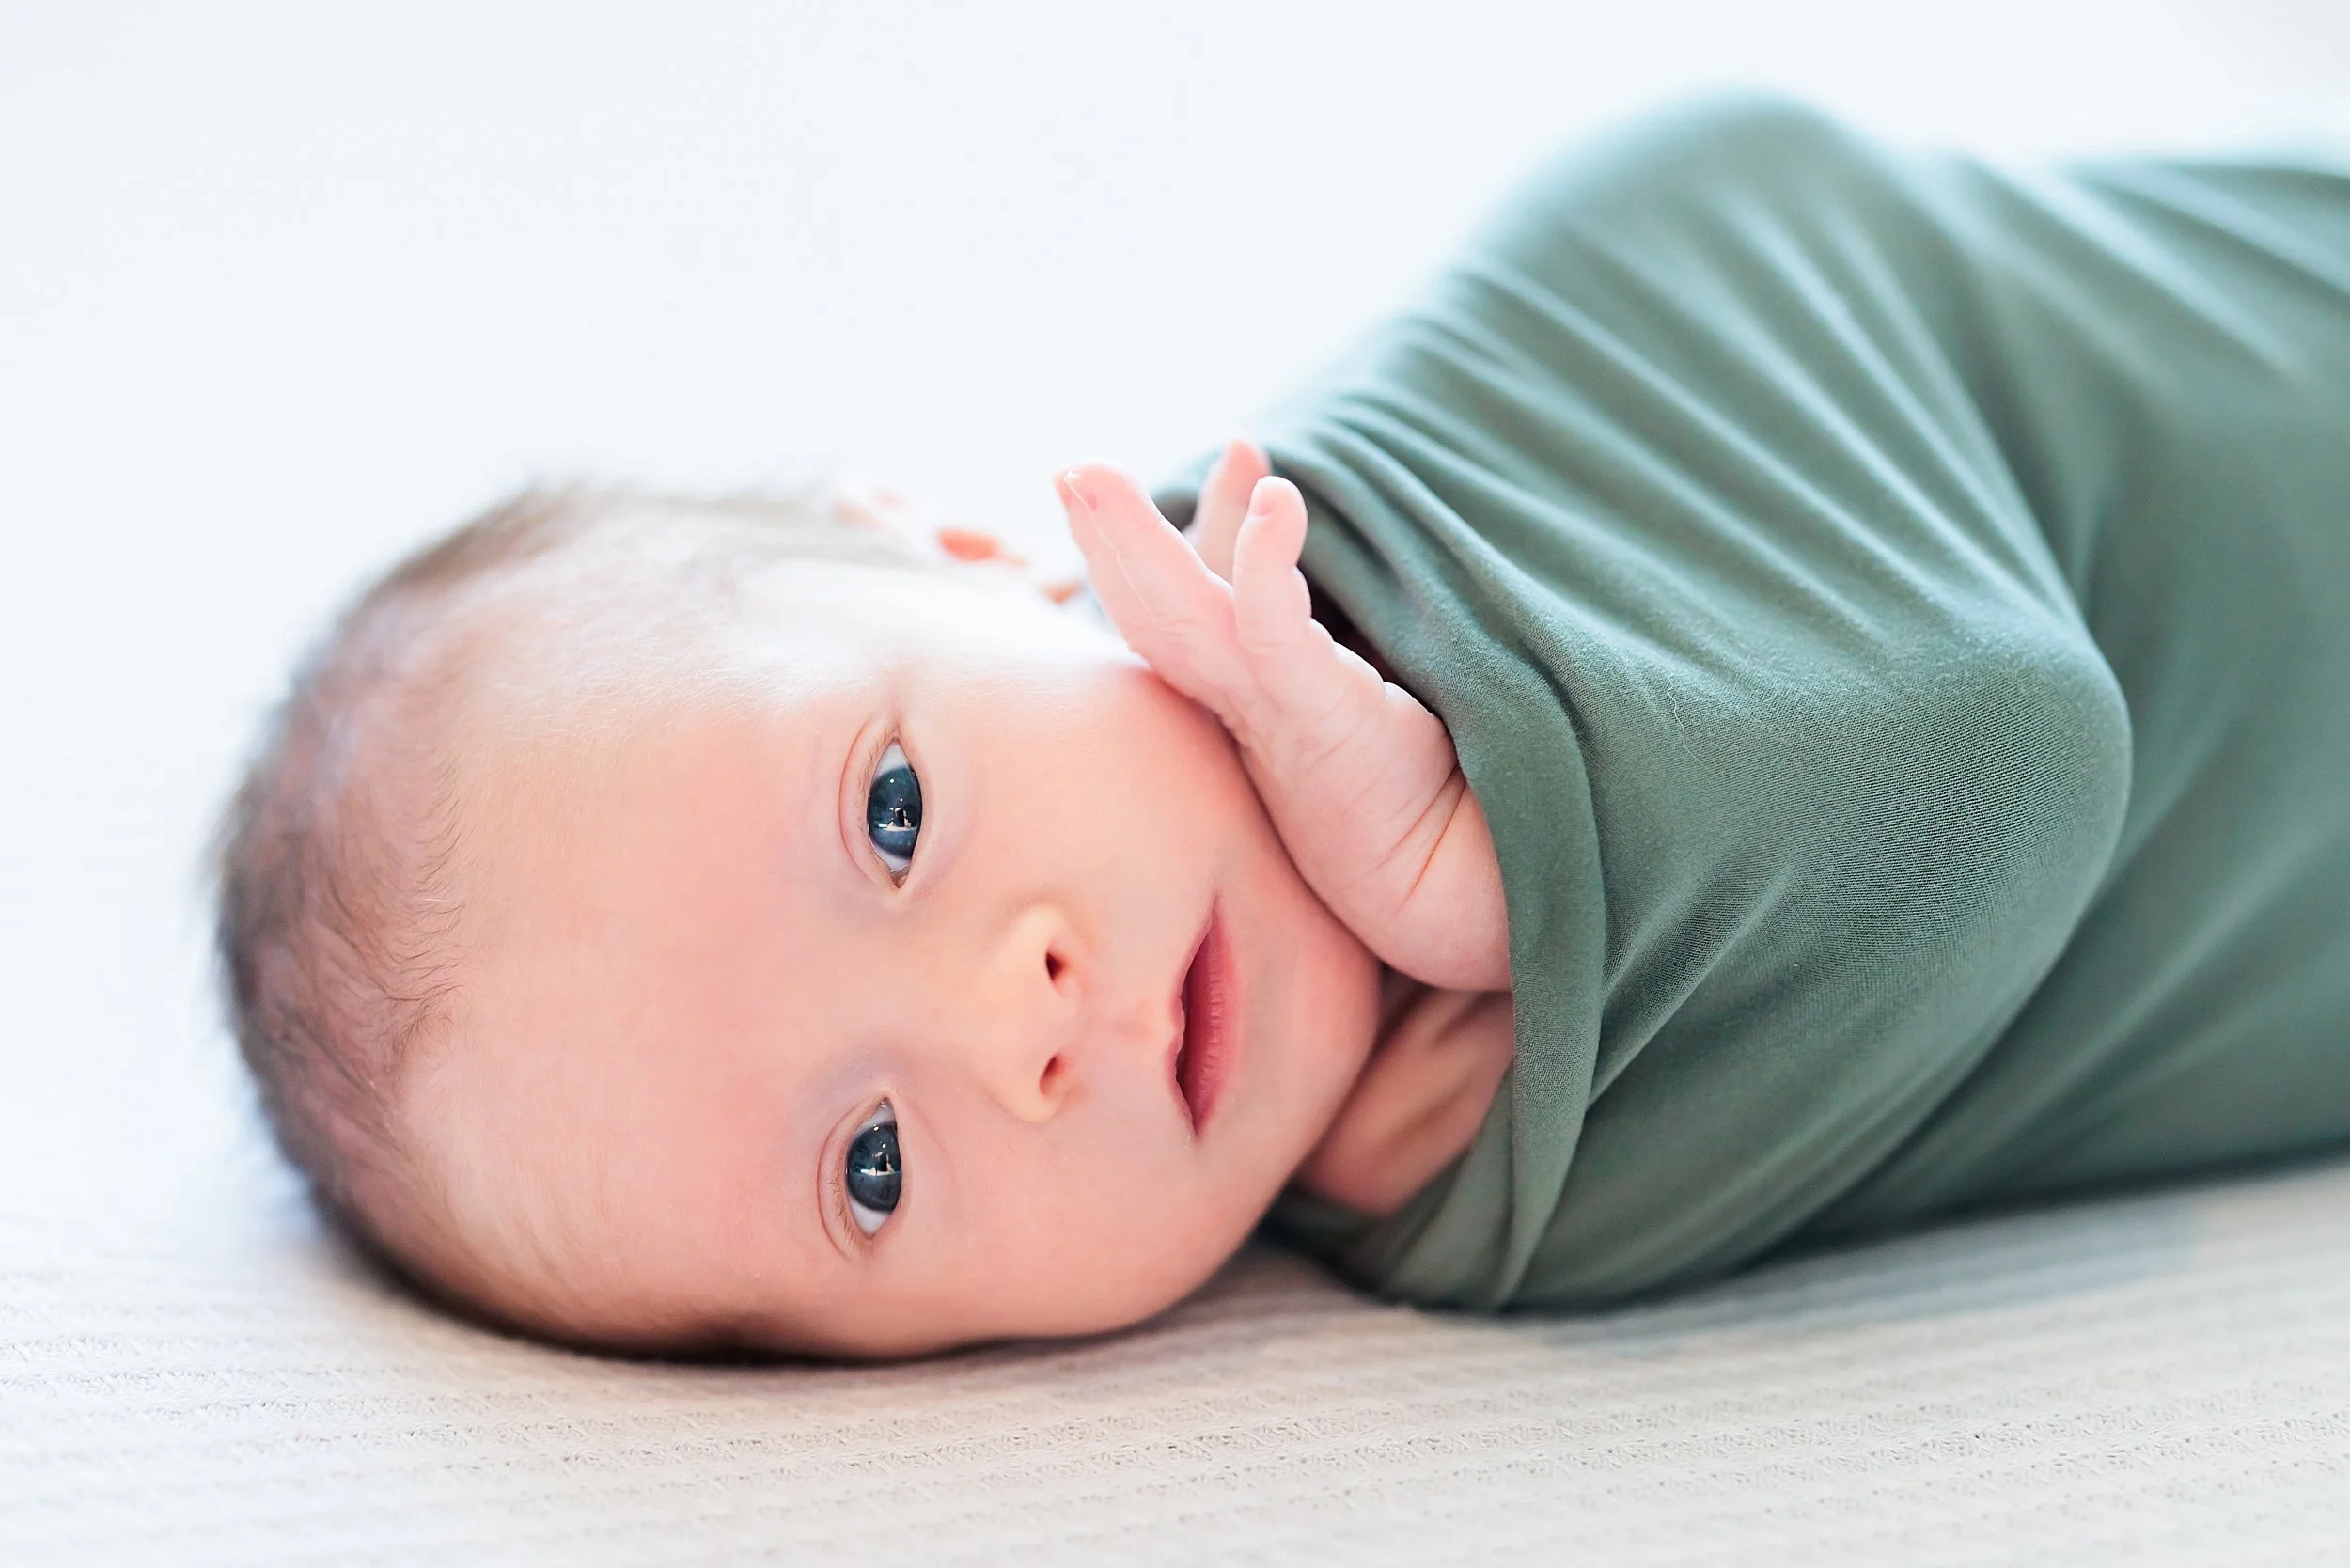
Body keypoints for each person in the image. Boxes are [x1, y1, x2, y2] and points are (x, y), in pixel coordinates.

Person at [217, 100, 2350, 1358]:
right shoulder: (1476, 1200)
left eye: (889, 812)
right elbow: (1991, 822)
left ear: (973, 549)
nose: (1015, 1024)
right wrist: (1503, 917)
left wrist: (1496, 820)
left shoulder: (1457, 448)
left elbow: (2008, 739)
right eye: (869, 1167)